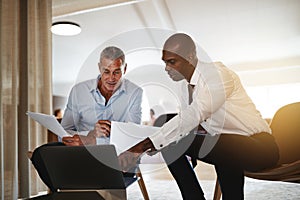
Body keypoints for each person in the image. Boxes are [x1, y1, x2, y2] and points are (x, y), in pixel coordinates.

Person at [118, 33, 279, 200]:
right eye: (165, 62)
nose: (167, 68)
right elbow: (188, 125)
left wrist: (139, 148)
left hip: (261, 147)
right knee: (167, 127)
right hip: (225, 146)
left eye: (172, 62)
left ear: (190, 57)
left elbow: (195, 114)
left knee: (221, 142)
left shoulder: (217, 74)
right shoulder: (184, 86)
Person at [31, 46, 143, 191]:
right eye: (106, 71)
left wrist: (93, 141)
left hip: (116, 152)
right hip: (79, 150)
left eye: (117, 72)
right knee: (41, 154)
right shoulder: (79, 91)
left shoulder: (135, 93)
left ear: (125, 68)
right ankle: (61, 193)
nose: (111, 78)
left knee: (118, 165)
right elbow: (65, 130)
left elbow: (131, 137)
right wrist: (78, 139)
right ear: (99, 67)